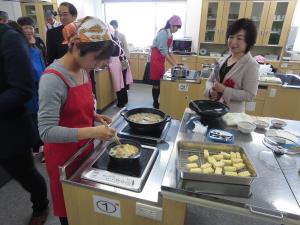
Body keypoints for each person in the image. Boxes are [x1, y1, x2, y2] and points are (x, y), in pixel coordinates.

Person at [38, 16, 116, 225]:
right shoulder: (53, 79)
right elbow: (46, 131)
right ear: (76, 45)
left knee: (86, 208)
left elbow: (75, 107)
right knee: (72, 212)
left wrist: (93, 115)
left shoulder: (83, 69)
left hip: (83, 151)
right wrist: (92, 132)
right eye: (97, 59)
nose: (98, 65)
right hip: (63, 158)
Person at [0, 22, 49, 225]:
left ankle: (40, 206)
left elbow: (22, 90)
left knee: (26, 175)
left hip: (9, 128)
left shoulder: (9, 38)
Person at [204, 18, 259, 113]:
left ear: (248, 41)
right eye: (231, 36)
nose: (233, 42)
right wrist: (210, 91)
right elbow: (210, 81)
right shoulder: (223, 59)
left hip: (232, 114)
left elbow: (250, 95)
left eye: (239, 38)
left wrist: (224, 90)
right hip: (213, 109)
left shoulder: (251, 64)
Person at [17, 16, 46, 155]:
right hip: (29, 84)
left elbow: (43, 59)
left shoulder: (39, 41)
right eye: (25, 28)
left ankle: (45, 144)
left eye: (30, 27)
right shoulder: (18, 43)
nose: (29, 30)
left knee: (43, 113)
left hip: (42, 81)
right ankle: (37, 144)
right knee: (32, 115)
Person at [149, 15, 181, 109]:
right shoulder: (163, 33)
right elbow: (163, 51)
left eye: (178, 27)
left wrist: (176, 63)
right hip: (156, 59)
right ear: (171, 25)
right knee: (156, 82)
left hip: (161, 59)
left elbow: (169, 51)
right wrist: (174, 64)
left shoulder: (170, 35)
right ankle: (155, 103)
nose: (177, 29)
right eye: (177, 27)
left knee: (159, 81)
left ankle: (159, 100)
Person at [108, 25, 133, 107]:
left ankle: (120, 103)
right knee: (124, 82)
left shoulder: (110, 42)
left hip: (117, 63)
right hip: (123, 61)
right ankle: (125, 100)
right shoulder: (116, 39)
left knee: (118, 83)